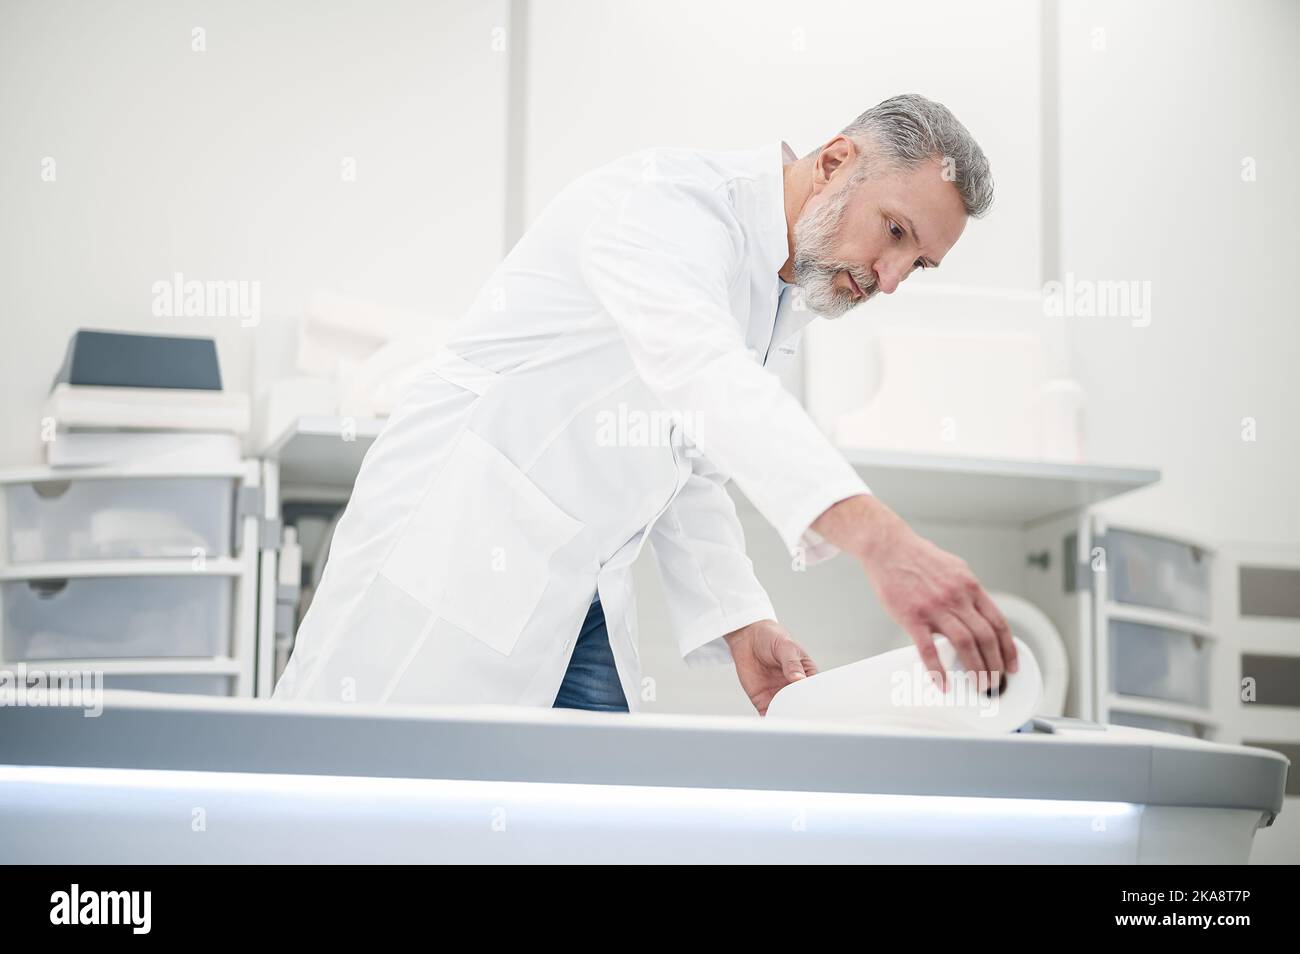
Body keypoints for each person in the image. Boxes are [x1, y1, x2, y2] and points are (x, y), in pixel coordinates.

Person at [273, 93, 1017, 716]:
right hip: (456, 551)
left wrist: (742, 621)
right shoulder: (666, 208)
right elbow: (704, 377)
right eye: (894, 232)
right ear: (833, 162)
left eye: (916, 264)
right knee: (356, 796)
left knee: (572, 819)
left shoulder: (780, 287)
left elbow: (689, 460)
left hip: (571, 591)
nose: (890, 279)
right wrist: (885, 544)